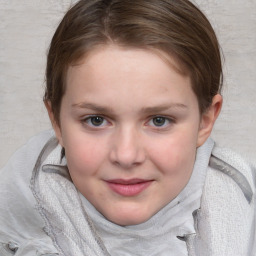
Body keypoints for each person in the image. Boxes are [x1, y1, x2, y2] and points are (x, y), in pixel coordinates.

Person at [0, 0, 255, 255]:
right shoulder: (23, 198)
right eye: (96, 120)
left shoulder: (240, 206)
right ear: (56, 121)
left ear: (205, 121)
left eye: (159, 120)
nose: (126, 155)